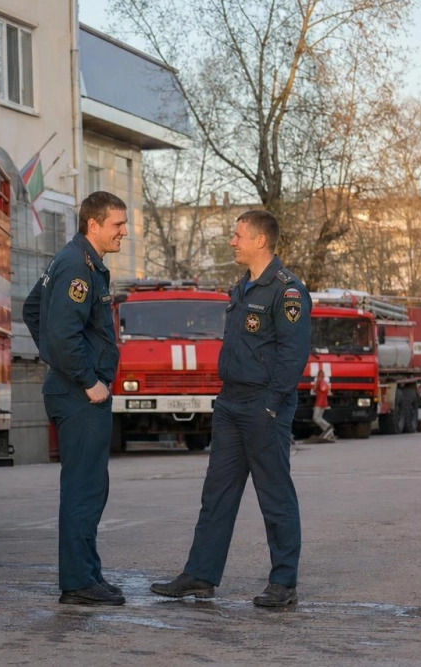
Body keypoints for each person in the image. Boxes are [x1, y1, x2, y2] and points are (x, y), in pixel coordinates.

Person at [150, 209, 311, 609]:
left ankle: (283, 583)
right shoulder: (243, 286)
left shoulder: (287, 290)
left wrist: (271, 407)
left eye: (238, 235)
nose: (232, 241)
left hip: (263, 405)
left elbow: (293, 356)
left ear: (260, 240)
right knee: (216, 494)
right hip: (231, 402)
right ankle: (200, 575)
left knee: (274, 495)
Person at [22, 191, 129, 606]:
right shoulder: (77, 268)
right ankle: (78, 582)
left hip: (74, 389)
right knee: (84, 490)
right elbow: (62, 332)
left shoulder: (76, 261)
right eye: (118, 224)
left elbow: (34, 309)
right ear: (94, 225)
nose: (123, 231)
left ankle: (87, 574)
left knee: (89, 487)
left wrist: (54, 354)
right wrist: (87, 379)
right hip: (80, 395)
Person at [310, 368, 334, 441]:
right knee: (319, 417)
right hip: (324, 402)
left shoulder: (319, 381)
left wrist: (316, 385)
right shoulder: (325, 382)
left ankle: (328, 427)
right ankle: (329, 432)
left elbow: (317, 390)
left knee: (316, 418)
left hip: (319, 402)